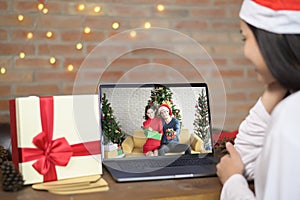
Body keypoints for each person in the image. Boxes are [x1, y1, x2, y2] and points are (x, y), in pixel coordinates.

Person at [216, 0, 300, 199]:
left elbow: (241, 165)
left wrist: (232, 182)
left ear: (275, 39)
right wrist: (277, 83)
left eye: (245, 38)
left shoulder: (291, 118)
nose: (245, 53)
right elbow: (245, 160)